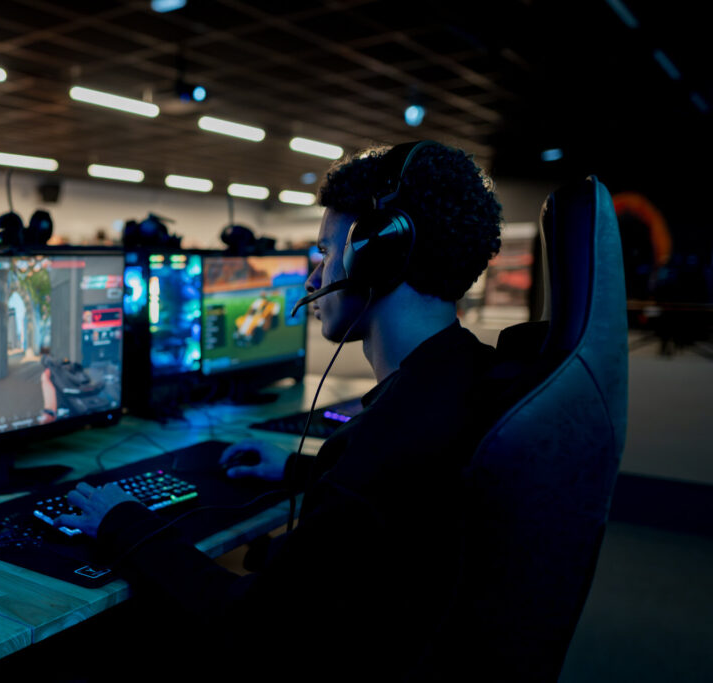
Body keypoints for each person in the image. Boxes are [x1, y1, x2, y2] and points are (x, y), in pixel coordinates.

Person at [54, 140, 504, 680]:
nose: (314, 281)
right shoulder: (468, 376)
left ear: (378, 254)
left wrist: (121, 520)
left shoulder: (383, 446)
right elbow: (392, 507)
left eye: (326, 253)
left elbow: (244, 621)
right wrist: (298, 470)